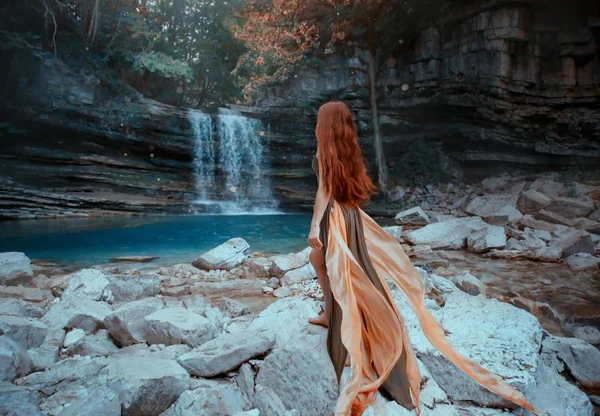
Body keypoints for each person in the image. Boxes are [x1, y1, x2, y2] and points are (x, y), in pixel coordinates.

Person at [306, 101, 539, 416]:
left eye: (320, 120)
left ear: (326, 125)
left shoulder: (325, 152)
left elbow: (324, 191)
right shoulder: (348, 150)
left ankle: (348, 338)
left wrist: (314, 224)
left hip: (334, 218)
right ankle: (331, 315)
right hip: (351, 218)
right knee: (340, 270)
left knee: (341, 274)